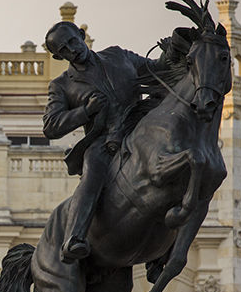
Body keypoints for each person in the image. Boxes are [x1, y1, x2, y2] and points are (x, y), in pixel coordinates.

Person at [43, 21, 179, 263]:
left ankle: (168, 246)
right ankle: (74, 237)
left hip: (141, 130)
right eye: (64, 50)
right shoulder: (62, 85)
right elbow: (51, 126)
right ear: (57, 55)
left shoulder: (118, 56)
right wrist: (85, 111)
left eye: (73, 42)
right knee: (92, 175)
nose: (72, 50)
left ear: (81, 35)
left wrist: (169, 53)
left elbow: (156, 70)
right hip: (104, 142)